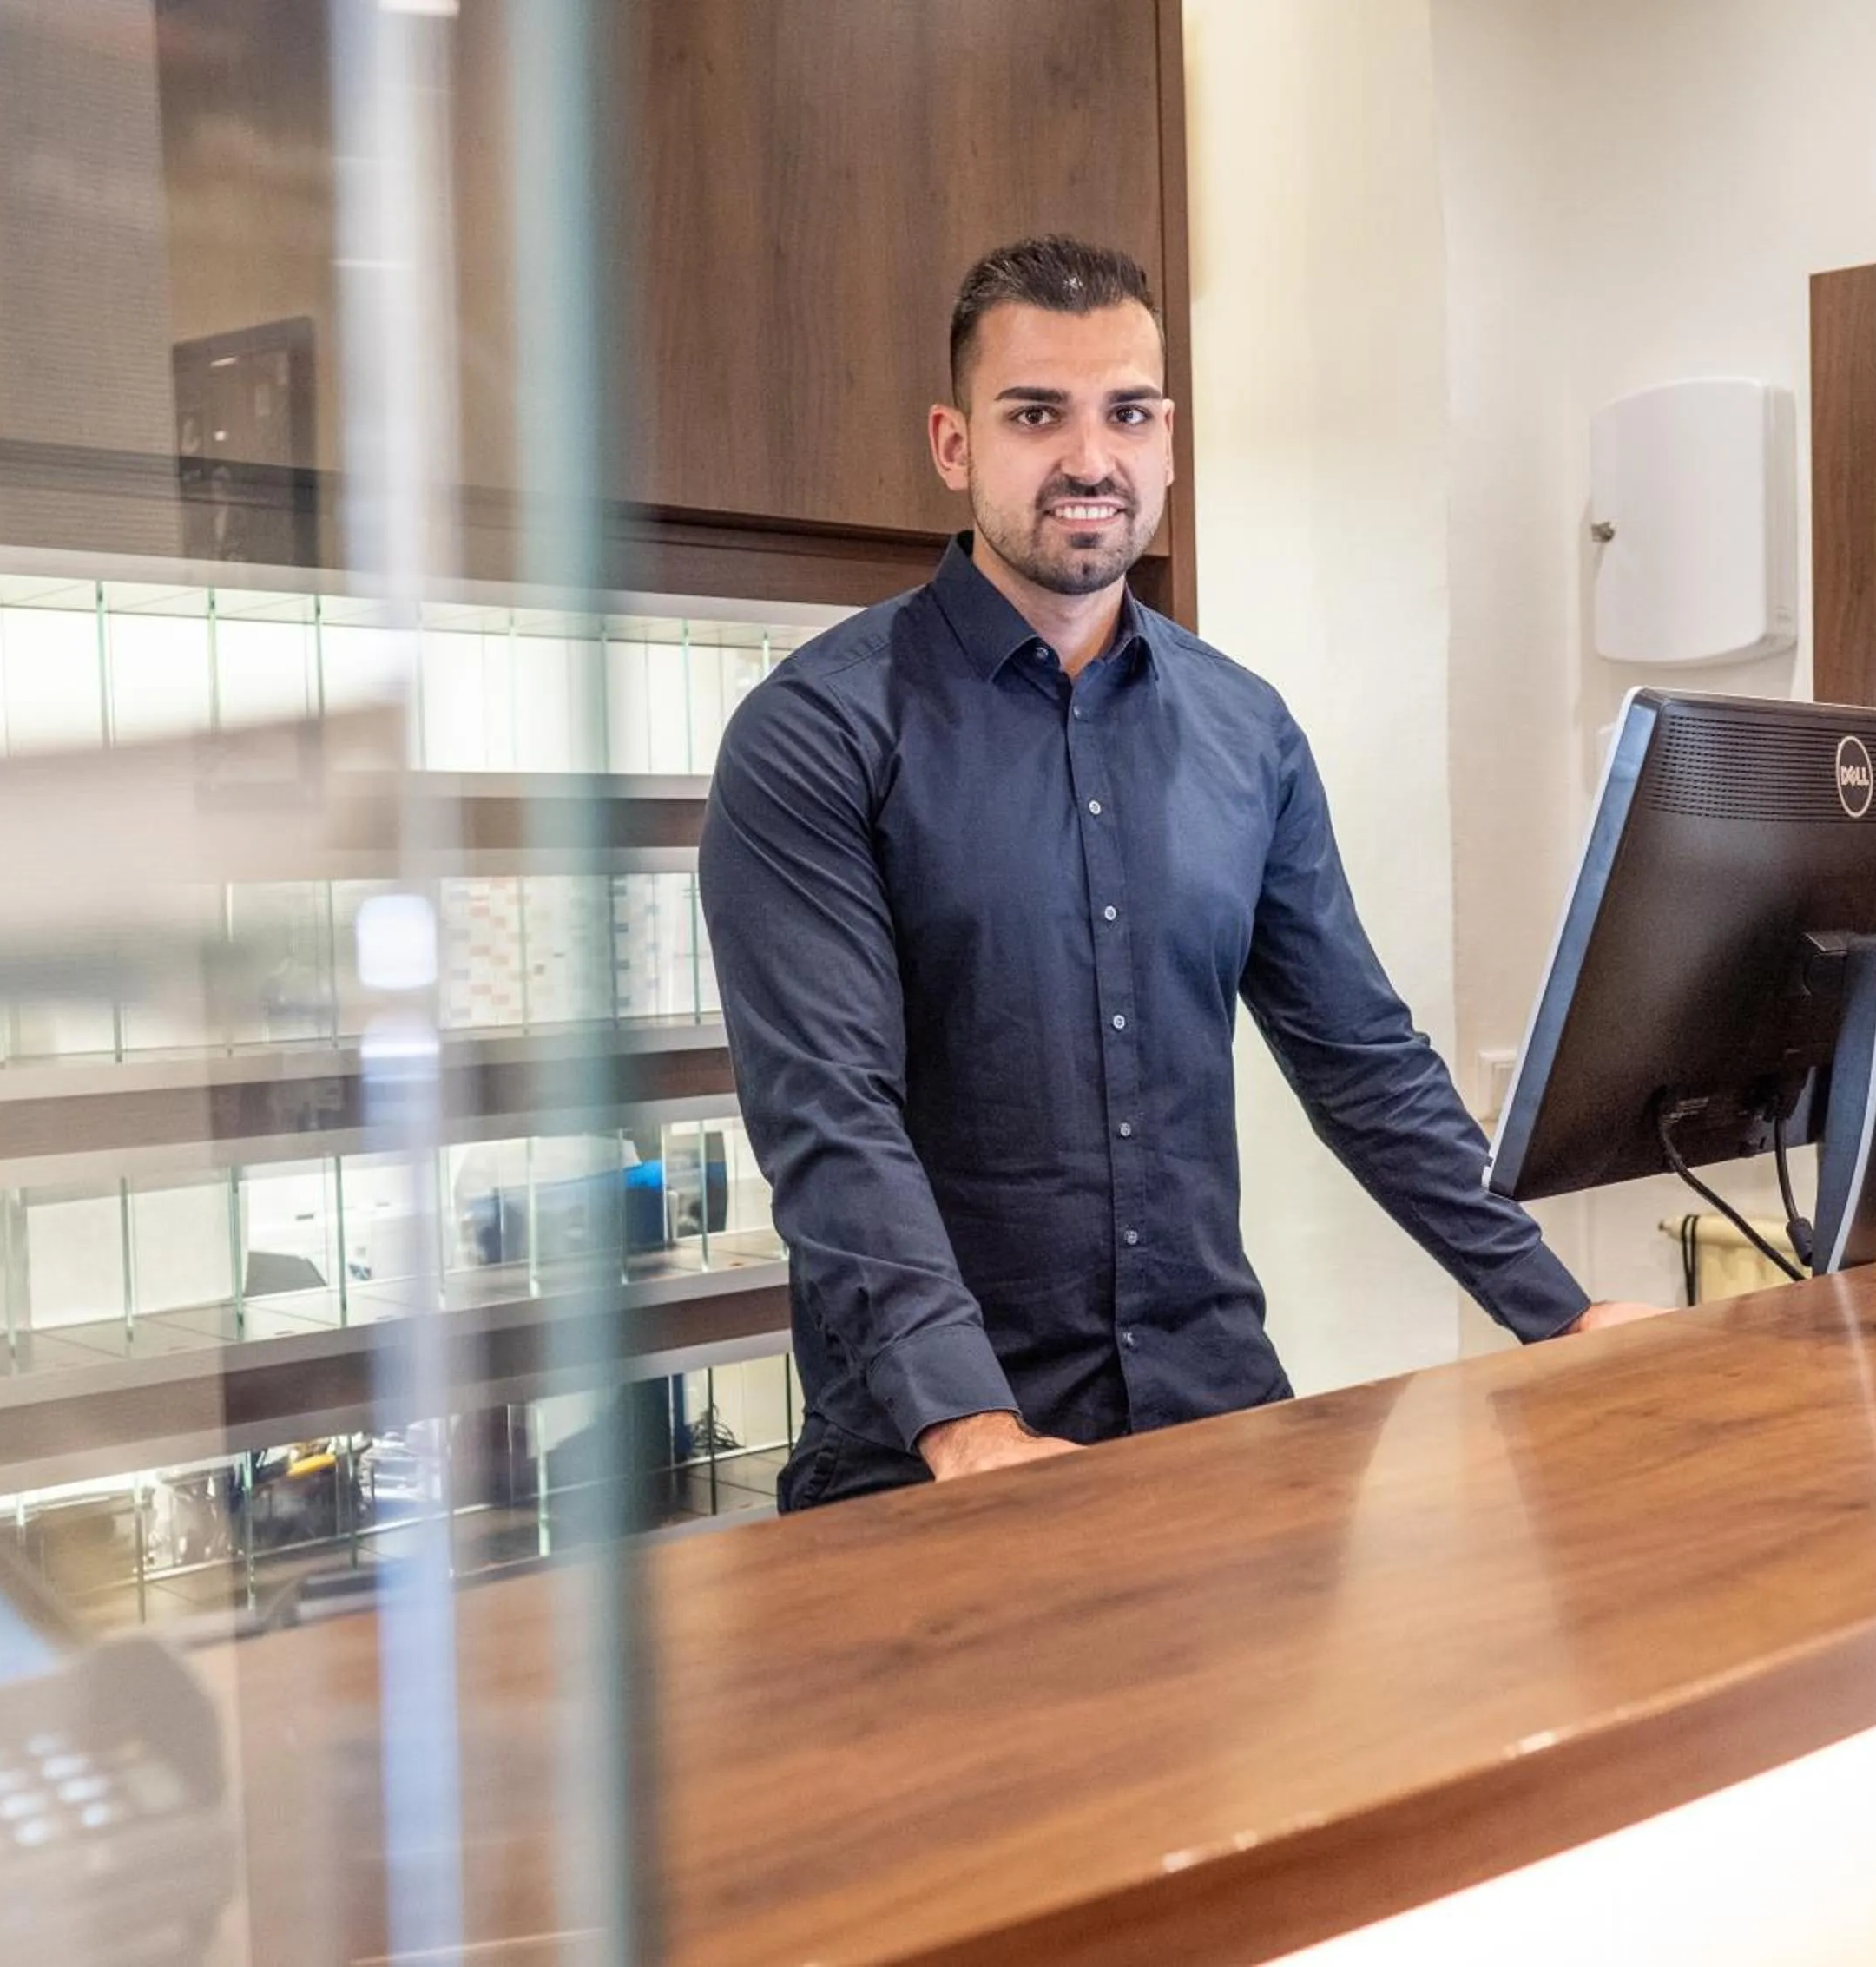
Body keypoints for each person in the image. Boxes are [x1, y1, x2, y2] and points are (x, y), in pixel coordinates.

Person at [701, 235, 1663, 1511]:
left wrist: (1561, 1311)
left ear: (1166, 442)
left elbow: (1364, 1063)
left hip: (1218, 1438)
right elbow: (831, 1117)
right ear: (953, 444)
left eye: (1128, 413)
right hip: (926, 1475)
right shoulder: (818, 732)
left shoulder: (1244, 729)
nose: (1089, 458)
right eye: (1036, 414)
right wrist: (971, 1428)